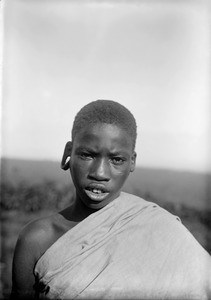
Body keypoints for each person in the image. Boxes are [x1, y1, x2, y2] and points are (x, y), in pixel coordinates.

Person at [11, 100, 211, 299]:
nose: (99, 173)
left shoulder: (163, 230)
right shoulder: (37, 239)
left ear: (132, 161)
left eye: (117, 160)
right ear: (68, 153)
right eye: (87, 155)